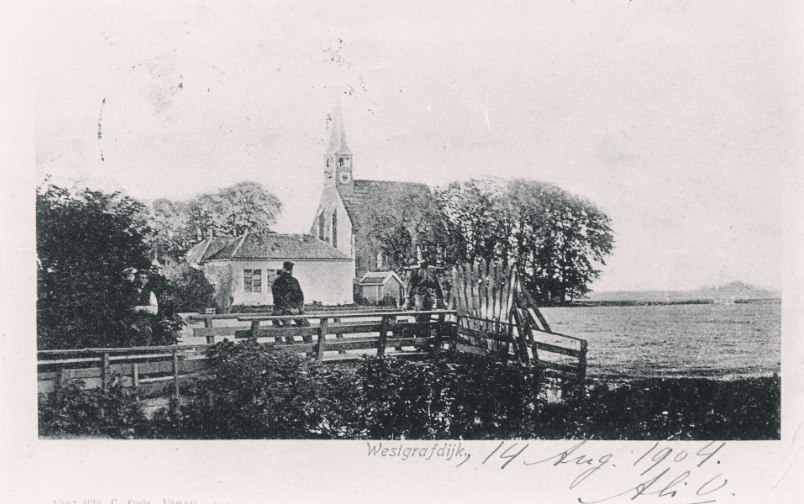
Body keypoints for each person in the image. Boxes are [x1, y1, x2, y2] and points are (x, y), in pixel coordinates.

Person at [271, 261, 310, 328]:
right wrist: (289, 308)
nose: (288, 272)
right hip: (283, 309)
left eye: (290, 270)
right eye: (286, 270)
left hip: (296, 310)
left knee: (306, 325)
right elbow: (278, 298)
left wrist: (298, 308)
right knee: (287, 326)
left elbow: (300, 296)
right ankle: (288, 334)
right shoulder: (277, 281)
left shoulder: (294, 281)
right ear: (283, 269)